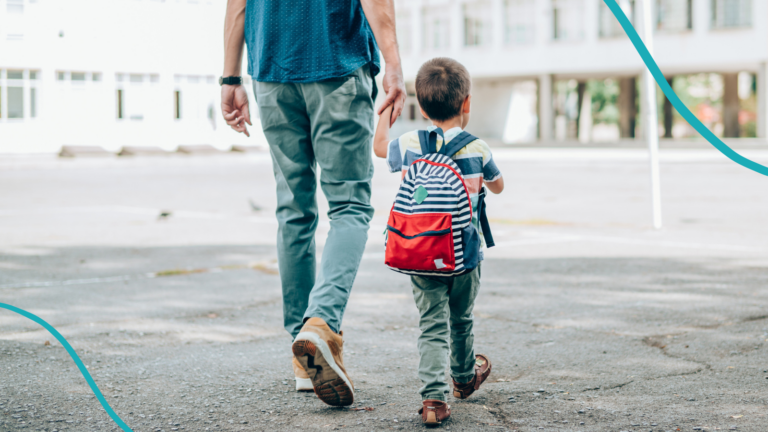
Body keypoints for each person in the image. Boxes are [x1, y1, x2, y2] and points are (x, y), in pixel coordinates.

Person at [220, 0, 406, 406]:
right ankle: (320, 324)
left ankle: (303, 360)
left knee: (293, 212)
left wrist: (230, 75)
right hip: (334, 61)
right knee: (350, 206)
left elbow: (238, 5)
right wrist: (393, 62)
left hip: (271, 70)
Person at [372, 57, 504, 426]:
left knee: (432, 324)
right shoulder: (477, 148)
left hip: (422, 252)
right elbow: (498, 184)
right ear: (467, 104)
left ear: (423, 106)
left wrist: (387, 107)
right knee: (460, 319)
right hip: (465, 257)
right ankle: (463, 379)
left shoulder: (412, 143)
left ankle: (434, 400)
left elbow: (379, 146)